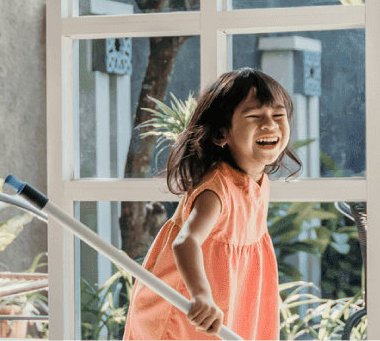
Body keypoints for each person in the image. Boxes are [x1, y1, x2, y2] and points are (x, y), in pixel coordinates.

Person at [122, 69, 296, 341]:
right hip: (189, 301)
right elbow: (185, 241)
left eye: (278, 115)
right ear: (220, 134)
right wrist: (201, 295)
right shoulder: (217, 189)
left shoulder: (258, 180)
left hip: (238, 297)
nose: (270, 124)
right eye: (254, 116)